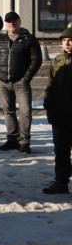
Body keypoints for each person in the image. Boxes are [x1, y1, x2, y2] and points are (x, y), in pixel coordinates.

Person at [0, 11, 42, 154]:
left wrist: (26, 78)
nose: (11, 23)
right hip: (2, 82)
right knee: (8, 111)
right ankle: (12, 139)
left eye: (14, 20)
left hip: (21, 83)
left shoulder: (29, 39)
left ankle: (24, 142)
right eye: (8, 21)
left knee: (26, 111)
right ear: (5, 23)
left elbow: (36, 59)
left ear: (19, 21)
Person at [42, 25, 72, 195]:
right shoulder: (57, 61)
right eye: (64, 41)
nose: (67, 43)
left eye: (70, 40)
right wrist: (49, 104)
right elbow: (50, 86)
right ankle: (61, 181)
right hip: (60, 115)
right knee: (61, 150)